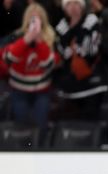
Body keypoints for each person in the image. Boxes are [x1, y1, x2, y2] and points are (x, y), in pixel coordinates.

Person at [1, 2, 58, 135]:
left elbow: (49, 65)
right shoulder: (17, 36)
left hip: (42, 90)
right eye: (32, 19)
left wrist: (39, 42)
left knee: (41, 125)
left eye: (37, 19)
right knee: (22, 126)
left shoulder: (50, 38)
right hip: (19, 90)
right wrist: (26, 40)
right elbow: (9, 58)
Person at [52, 0, 108, 121]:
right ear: (64, 8)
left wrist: (75, 47)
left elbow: (91, 50)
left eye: (76, 3)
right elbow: (62, 51)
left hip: (92, 83)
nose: (73, 7)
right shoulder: (61, 26)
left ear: (82, 6)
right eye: (69, 4)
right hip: (70, 85)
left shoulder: (92, 20)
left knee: (89, 122)